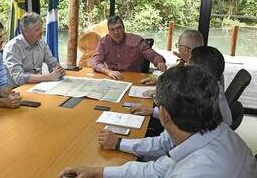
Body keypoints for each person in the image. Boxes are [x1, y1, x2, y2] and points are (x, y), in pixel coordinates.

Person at [58, 66, 257, 177]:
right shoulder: (222, 132)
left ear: (163, 115)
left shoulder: (193, 172)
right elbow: (159, 168)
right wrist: (98, 172)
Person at [91, 15, 166, 80]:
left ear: (124, 28)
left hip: (134, 78)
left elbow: (153, 55)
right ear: (109, 31)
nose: (116, 32)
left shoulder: (136, 41)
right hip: (112, 77)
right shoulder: (104, 42)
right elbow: (95, 62)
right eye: (112, 30)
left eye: (119, 28)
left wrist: (159, 62)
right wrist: (108, 72)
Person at [3, 12, 65, 87]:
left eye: (41, 28)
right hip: (16, 90)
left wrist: (59, 70)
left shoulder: (41, 42)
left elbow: (52, 62)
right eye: (37, 29)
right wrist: (50, 77)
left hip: (38, 86)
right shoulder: (13, 47)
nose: (41, 32)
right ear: (25, 31)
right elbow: (19, 78)